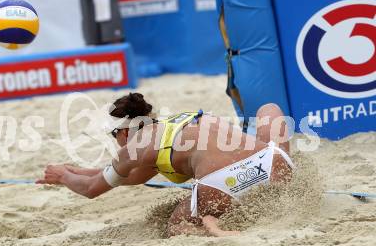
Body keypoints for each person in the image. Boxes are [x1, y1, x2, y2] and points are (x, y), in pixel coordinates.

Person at [37, 93, 294, 237]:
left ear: (124, 133)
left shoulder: (134, 149)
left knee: (175, 227)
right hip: (272, 164)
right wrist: (75, 170)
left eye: (113, 136)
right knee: (268, 108)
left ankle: (211, 225)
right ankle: (292, 182)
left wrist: (62, 177)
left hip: (223, 186)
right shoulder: (171, 126)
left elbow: (92, 189)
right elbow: (132, 177)